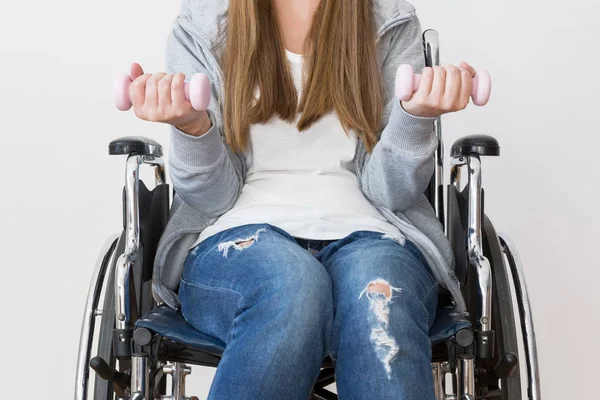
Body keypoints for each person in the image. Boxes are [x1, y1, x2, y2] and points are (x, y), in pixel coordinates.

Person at [128, 1, 475, 398]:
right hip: (237, 237)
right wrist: (193, 129)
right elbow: (212, 200)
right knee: (292, 286)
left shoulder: (390, 22)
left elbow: (390, 193)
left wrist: (415, 116)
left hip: (375, 231)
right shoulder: (203, 28)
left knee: (378, 297)